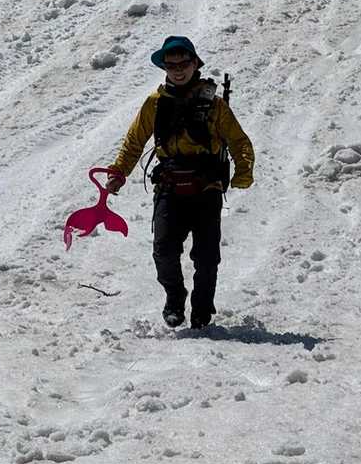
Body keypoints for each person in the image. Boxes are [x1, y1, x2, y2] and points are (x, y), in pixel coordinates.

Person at [106, 36, 255, 330]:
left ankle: (202, 309)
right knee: (163, 250)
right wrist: (118, 172)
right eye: (171, 65)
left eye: (183, 63)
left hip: (207, 188)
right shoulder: (154, 104)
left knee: (207, 255)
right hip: (169, 187)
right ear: (164, 68)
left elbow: (239, 141)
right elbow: (134, 142)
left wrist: (243, 172)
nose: (177, 70)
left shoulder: (215, 105)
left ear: (195, 64)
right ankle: (174, 299)